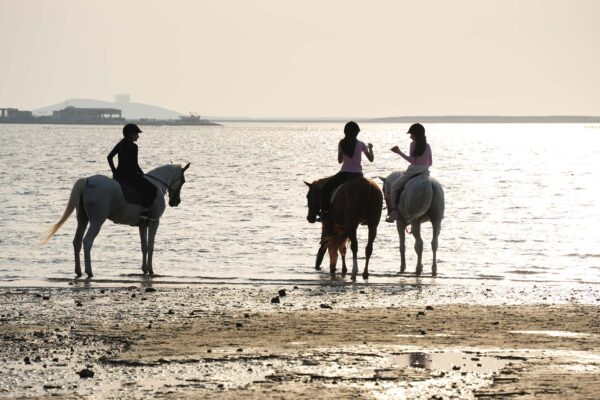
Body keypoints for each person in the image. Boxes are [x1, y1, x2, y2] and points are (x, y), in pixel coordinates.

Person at [320, 121, 374, 230]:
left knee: (325, 189)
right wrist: (371, 149)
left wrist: (341, 153)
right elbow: (371, 159)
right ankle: (369, 215)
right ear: (357, 133)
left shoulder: (341, 143)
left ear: (346, 132)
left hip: (345, 173)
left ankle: (325, 213)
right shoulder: (361, 144)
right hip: (358, 174)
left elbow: (340, 161)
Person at [107, 123, 157, 219]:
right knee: (152, 189)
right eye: (136, 134)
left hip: (119, 176)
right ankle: (145, 212)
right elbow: (134, 163)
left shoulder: (120, 144)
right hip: (130, 176)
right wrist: (141, 172)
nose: (138, 136)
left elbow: (109, 157)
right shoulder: (134, 147)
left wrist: (114, 171)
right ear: (130, 134)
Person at [386, 123, 432, 222]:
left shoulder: (413, 144)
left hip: (413, 171)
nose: (410, 137)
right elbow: (431, 162)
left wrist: (399, 152)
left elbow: (412, 161)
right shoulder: (428, 146)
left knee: (394, 187)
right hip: (425, 172)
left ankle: (394, 212)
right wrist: (423, 166)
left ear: (416, 134)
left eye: (411, 134)